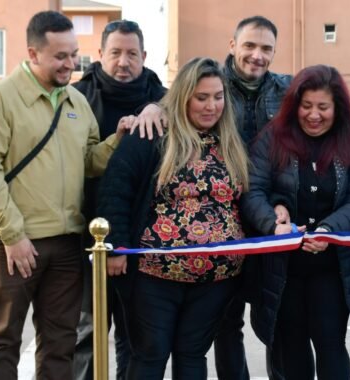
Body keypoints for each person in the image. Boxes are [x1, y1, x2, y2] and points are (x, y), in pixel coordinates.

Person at [0, 11, 124, 380]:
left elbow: (88, 161)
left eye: (73, 54)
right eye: (60, 56)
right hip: (14, 243)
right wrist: (13, 235)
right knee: (3, 339)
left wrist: (119, 139)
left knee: (60, 342)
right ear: (33, 54)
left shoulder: (75, 102)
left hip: (66, 242)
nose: (70, 64)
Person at [97, 57, 250, 379]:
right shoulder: (152, 135)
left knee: (192, 355)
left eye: (218, 96)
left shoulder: (233, 144)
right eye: (201, 97)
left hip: (217, 280)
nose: (211, 106)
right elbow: (116, 188)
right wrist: (116, 246)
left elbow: (249, 198)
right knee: (150, 353)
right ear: (183, 98)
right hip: (155, 277)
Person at [240, 64, 350, 380]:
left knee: (331, 345)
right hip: (283, 269)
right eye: (306, 106)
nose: (314, 115)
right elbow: (252, 190)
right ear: (294, 105)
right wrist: (274, 222)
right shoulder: (271, 138)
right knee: (291, 349)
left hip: (335, 267)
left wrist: (330, 230)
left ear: (337, 108)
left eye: (323, 107)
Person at [71, 19, 166, 380]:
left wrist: (163, 108)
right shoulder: (76, 97)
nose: (123, 62)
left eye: (131, 54)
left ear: (144, 56)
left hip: (143, 241)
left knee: (136, 332)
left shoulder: (164, 99)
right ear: (100, 55)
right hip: (84, 235)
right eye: (115, 53)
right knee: (87, 331)